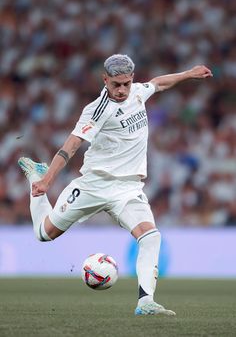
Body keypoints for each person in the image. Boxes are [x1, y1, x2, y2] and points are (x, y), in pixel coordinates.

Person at [18, 54, 213, 316]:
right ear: (105, 80)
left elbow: (158, 83)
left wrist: (189, 73)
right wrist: (47, 180)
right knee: (44, 234)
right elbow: (71, 146)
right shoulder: (97, 110)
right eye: (116, 85)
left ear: (131, 79)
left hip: (129, 189)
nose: (121, 90)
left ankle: (145, 303)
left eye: (126, 84)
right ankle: (35, 175)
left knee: (151, 237)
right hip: (94, 185)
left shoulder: (137, 93)